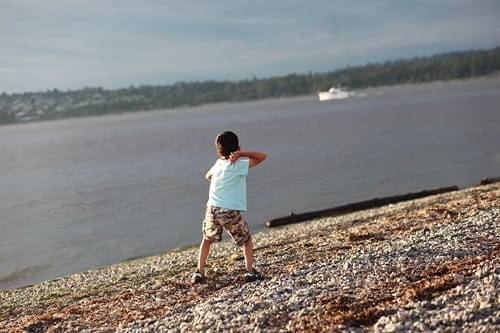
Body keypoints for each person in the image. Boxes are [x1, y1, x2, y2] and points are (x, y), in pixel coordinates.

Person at [192, 131, 267, 284]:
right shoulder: (238, 165)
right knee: (246, 239)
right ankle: (249, 271)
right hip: (228, 210)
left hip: (212, 208)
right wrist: (242, 154)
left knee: (206, 239)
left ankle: (199, 271)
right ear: (238, 148)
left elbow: (207, 176)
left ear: (219, 152)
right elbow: (262, 156)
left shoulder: (218, 163)